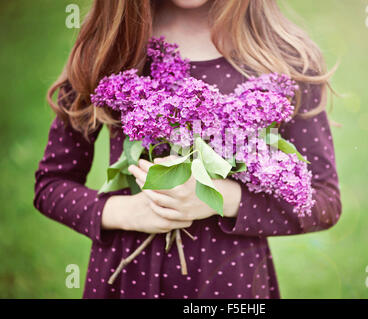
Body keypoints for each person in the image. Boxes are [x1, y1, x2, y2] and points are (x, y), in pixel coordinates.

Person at [34, 0, 341, 299]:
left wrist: (221, 198)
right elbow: (50, 186)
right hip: (128, 276)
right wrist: (125, 212)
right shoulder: (109, 48)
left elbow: (324, 200)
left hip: (231, 281)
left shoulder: (285, 57)